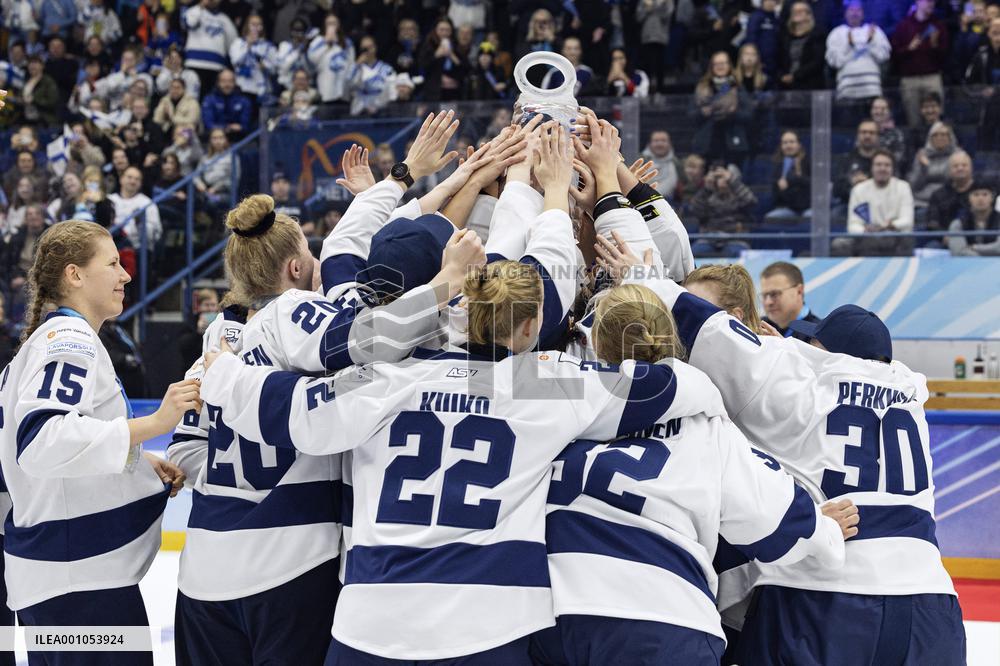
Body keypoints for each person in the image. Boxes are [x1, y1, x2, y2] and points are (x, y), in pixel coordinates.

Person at [197, 129, 695, 665]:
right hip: (492, 623)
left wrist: (223, 374)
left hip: (370, 623)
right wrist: (552, 189)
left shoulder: (385, 377)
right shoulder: (540, 382)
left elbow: (296, 408)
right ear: (529, 328)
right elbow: (655, 377)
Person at [604, 241, 966, 666]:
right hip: (931, 602)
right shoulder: (911, 396)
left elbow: (710, 329)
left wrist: (645, 279)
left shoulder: (799, 379)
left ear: (821, 350)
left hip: (822, 597)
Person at [532, 281, 853, 665]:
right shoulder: (705, 419)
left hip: (553, 614)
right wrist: (824, 531)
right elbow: (775, 523)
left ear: (596, 340)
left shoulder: (550, 401)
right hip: (665, 619)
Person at [0, 221, 194, 664]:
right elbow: (42, 442)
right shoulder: (70, 340)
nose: (125, 274)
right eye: (111, 263)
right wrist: (154, 423)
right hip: (82, 589)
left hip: (53, 584)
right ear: (75, 275)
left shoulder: (34, 349)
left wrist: (134, 457)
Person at [837, 149, 915, 256]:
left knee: (906, 241)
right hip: (867, 238)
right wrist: (864, 231)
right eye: (878, 165)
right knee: (839, 244)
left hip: (894, 236)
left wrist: (889, 225)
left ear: (892, 169)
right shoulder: (859, 189)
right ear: (872, 168)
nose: (882, 168)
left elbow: (907, 221)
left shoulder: (903, 187)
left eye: (887, 165)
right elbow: (853, 225)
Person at [891, 0, 950, 127]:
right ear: (918, 2)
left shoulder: (938, 25)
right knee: (914, 122)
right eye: (928, 1)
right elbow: (894, 55)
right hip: (910, 79)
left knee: (937, 120)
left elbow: (945, 56)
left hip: (932, 77)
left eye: (933, 1)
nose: (931, 4)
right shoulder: (904, 26)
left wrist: (935, 45)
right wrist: (908, 48)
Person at [825, 0, 890, 104]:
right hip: (846, 92)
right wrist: (849, 45)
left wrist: (870, 42)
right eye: (851, 10)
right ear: (845, 13)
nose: (855, 13)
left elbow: (884, 57)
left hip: (872, 90)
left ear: (863, 13)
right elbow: (834, 62)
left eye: (858, 10)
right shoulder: (836, 33)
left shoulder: (875, 31)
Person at [691, 52, 751, 164]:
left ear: (729, 66)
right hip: (707, 141)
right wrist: (702, 113)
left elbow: (748, 114)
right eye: (716, 63)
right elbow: (691, 114)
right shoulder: (702, 87)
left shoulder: (737, 86)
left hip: (732, 141)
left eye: (723, 63)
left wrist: (734, 113)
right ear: (711, 67)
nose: (720, 66)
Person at [688, 162, 757, 257]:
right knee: (695, 252)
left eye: (723, 177)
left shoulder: (739, 193)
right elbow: (695, 209)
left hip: (736, 237)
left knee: (737, 253)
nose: (722, 180)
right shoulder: (707, 194)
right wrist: (707, 187)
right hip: (709, 238)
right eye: (718, 177)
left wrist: (731, 180)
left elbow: (751, 202)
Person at [182, 0, 238, 96]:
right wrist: (201, 6)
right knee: (191, 99)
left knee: (212, 100)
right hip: (194, 64)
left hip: (216, 67)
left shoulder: (225, 19)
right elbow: (189, 23)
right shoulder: (194, 11)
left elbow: (234, 44)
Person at [758, 260, 821, 340]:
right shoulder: (757, 327)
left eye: (775, 294)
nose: (768, 302)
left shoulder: (820, 335)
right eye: (764, 295)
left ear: (799, 291)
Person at [963, 17, 1000, 150]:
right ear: (988, 33)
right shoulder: (981, 55)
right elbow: (968, 84)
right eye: (995, 33)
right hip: (987, 110)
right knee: (986, 143)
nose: (998, 38)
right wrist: (982, 91)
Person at [109, 166, 163, 251]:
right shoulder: (109, 200)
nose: (133, 181)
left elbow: (155, 235)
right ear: (121, 179)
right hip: (110, 246)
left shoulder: (147, 203)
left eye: (137, 179)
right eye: (129, 177)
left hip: (137, 249)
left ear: (141, 183)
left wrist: (140, 223)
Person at [228, 14, 279, 104]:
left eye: (259, 25)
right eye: (253, 24)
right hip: (242, 86)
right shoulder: (238, 43)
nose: (256, 28)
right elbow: (235, 61)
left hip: (262, 88)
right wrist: (248, 45)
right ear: (247, 25)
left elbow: (275, 69)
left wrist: (265, 66)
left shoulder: (268, 46)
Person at [908, 122, 960, 207]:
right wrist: (923, 168)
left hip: (948, 200)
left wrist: (929, 168)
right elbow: (914, 185)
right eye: (935, 135)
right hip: (922, 201)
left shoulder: (958, 155)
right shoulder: (922, 155)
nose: (939, 138)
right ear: (930, 138)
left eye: (943, 134)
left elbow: (954, 182)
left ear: (950, 137)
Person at [308, 13, 355, 105]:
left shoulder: (347, 42)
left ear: (339, 24)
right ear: (324, 25)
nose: (332, 26)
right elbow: (312, 60)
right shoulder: (318, 41)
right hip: (326, 91)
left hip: (343, 91)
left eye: (334, 23)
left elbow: (351, 64)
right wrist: (326, 43)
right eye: (329, 23)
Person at [777, 1, 825, 90]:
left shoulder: (817, 35)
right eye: (794, 11)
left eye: (801, 11)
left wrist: (795, 76)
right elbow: (779, 59)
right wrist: (781, 76)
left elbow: (817, 61)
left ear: (808, 15)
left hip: (809, 84)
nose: (797, 13)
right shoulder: (785, 36)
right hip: (786, 86)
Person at [765, 130, 811, 221]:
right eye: (785, 143)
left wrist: (796, 179)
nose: (788, 146)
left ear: (799, 144)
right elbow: (775, 191)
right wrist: (781, 186)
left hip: (808, 207)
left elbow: (814, 184)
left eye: (792, 142)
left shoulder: (809, 161)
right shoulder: (777, 164)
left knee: (812, 217)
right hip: (786, 207)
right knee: (771, 217)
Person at [927, 151, 975, 236]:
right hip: (944, 238)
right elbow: (932, 223)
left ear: (971, 168)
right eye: (955, 166)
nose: (960, 168)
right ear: (949, 170)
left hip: (975, 239)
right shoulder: (938, 195)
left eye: (964, 165)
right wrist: (945, 236)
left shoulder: (983, 193)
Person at [418, 18, 467, 101]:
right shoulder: (428, 45)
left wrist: (452, 55)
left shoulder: (457, 46)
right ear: (435, 30)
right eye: (441, 30)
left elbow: (465, 69)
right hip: (433, 93)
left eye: (447, 30)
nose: (444, 33)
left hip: (454, 93)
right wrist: (436, 54)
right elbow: (422, 66)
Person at [947, 181, 1000, 255]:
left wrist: (974, 247)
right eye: (976, 194)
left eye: (985, 194)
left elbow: (998, 248)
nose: (980, 198)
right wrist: (980, 261)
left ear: (992, 198)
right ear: (969, 198)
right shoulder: (958, 224)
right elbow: (958, 251)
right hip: (968, 265)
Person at [834, 120, 880, 203]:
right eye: (863, 132)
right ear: (857, 135)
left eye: (872, 133)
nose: (867, 136)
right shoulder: (846, 159)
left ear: (878, 136)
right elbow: (836, 190)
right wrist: (851, 182)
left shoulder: (885, 160)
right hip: (849, 204)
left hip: (879, 204)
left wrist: (868, 183)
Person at [201, 69, 252, 141]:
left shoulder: (244, 101)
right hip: (214, 138)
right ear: (218, 82)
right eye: (223, 81)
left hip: (238, 139)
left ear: (235, 83)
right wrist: (227, 127)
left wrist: (232, 128)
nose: (227, 84)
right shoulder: (209, 99)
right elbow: (208, 123)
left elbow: (244, 126)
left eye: (230, 81)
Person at [641, 130, 683, 200]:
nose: (660, 144)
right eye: (656, 141)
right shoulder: (640, 161)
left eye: (663, 141)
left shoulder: (677, 164)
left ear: (669, 144)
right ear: (649, 144)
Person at [744, 0, 781, 75]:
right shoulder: (755, 17)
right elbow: (751, 39)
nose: (770, 3)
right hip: (760, 63)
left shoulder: (776, 19)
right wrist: (755, 59)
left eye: (773, 1)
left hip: (774, 63)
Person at [869, 96, 906, 168]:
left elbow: (899, 159)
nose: (878, 112)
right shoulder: (865, 130)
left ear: (889, 112)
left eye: (883, 109)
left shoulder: (896, 134)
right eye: (875, 108)